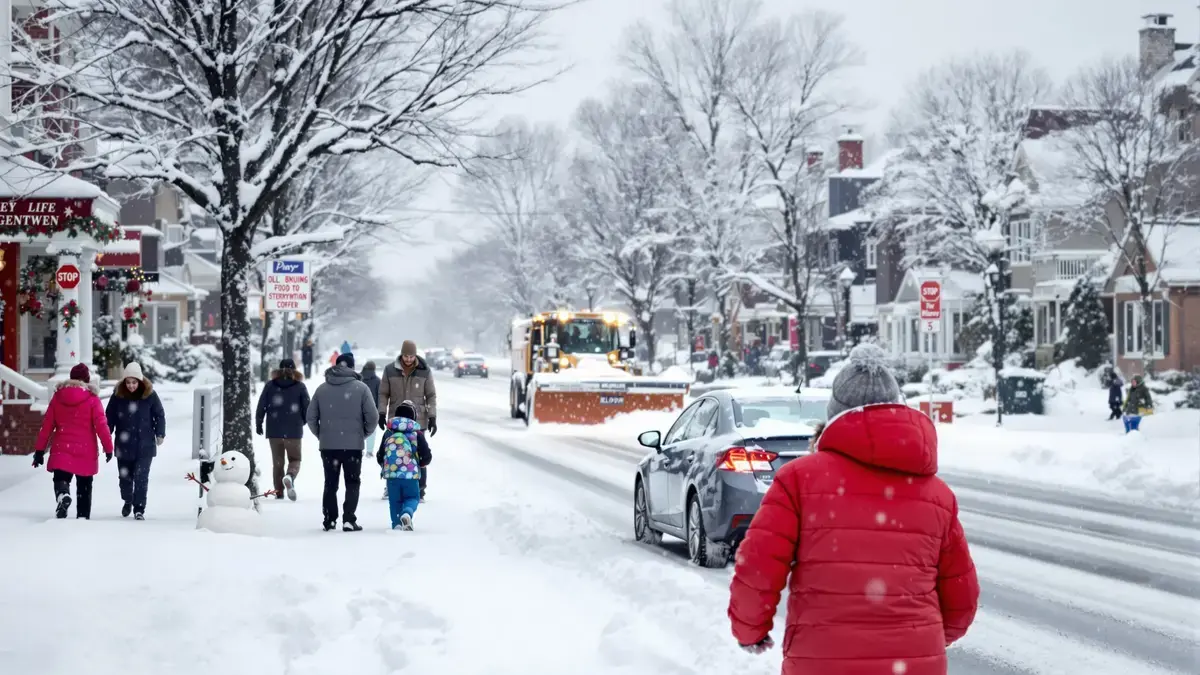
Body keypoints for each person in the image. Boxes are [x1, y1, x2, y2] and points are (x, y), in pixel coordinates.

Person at [728, 344, 979, 675]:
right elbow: (962, 593)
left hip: (822, 662)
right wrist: (921, 640)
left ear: (833, 414)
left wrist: (750, 630)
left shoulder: (799, 480)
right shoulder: (937, 495)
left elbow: (759, 565)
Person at [32, 364, 115, 520]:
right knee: (84, 486)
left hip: (62, 447)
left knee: (61, 478)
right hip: (86, 449)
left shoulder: (58, 397)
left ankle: (63, 494)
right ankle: (82, 518)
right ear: (87, 380)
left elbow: (47, 425)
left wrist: (39, 451)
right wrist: (108, 447)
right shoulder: (92, 398)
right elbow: (101, 425)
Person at [307, 352, 377, 531]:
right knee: (352, 482)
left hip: (329, 446)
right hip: (353, 446)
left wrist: (322, 434)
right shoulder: (361, 388)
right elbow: (373, 416)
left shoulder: (322, 389)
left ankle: (330, 519)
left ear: (335, 366)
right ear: (352, 368)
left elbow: (311, 417)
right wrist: (363, 434)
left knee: (330, 483)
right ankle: (349, 519)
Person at [377, 340, 437, 501]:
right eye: (406, 356)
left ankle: (420, 489)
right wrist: (381, 413)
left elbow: (430, 395)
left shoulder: (424, 371)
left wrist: (432, 417)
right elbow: (383, 393)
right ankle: (390, 487)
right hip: (395, 421)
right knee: (393, 453)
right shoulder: (390, 370)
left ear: (415, 355)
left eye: (411, 356)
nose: (408, 359)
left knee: (418, 455)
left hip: (418, 421)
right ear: (401, 354)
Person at [105, 362, 166, 519]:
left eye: (134, 382)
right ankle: (128, 500)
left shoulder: (150, 395)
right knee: (125, 479)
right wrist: (106, 435)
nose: (131, 385)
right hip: (123, 444)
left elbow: (159, 415)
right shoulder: (118, 396)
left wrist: (160, 433)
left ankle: (139, 509)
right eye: (128, 382)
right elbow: (109, 418)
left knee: (141, 478)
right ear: (124, 382)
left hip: (145, 445)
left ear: (140, 381)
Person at [255, 358, 310, 501]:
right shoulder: (300, 386)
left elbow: (261, 406)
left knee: (277, 463)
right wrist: (303, 421)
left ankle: (278, 492)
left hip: (274, 430)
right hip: (293, 430)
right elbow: (307, 408)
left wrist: (259, 423)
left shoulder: (270, 385)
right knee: (295, 458)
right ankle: (290, 476)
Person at [376, 401, 432, 530]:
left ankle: (396, 524)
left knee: (394, 502)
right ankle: (407, 513)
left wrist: (387, 466)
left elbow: (380, 456)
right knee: (412, 497)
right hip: (411, 475)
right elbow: (426, 456)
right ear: (413, 418)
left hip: (391, 475)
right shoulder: (416, 434)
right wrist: (421, 464)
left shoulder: (389, 433)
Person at [360, 360, 382, 458]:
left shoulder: (359, 379)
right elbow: (380, 397)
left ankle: (359, 449)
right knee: (371, 431)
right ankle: (369, 451)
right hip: (372, 410)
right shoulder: (378, 381)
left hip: (359, 409)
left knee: (359, 430)